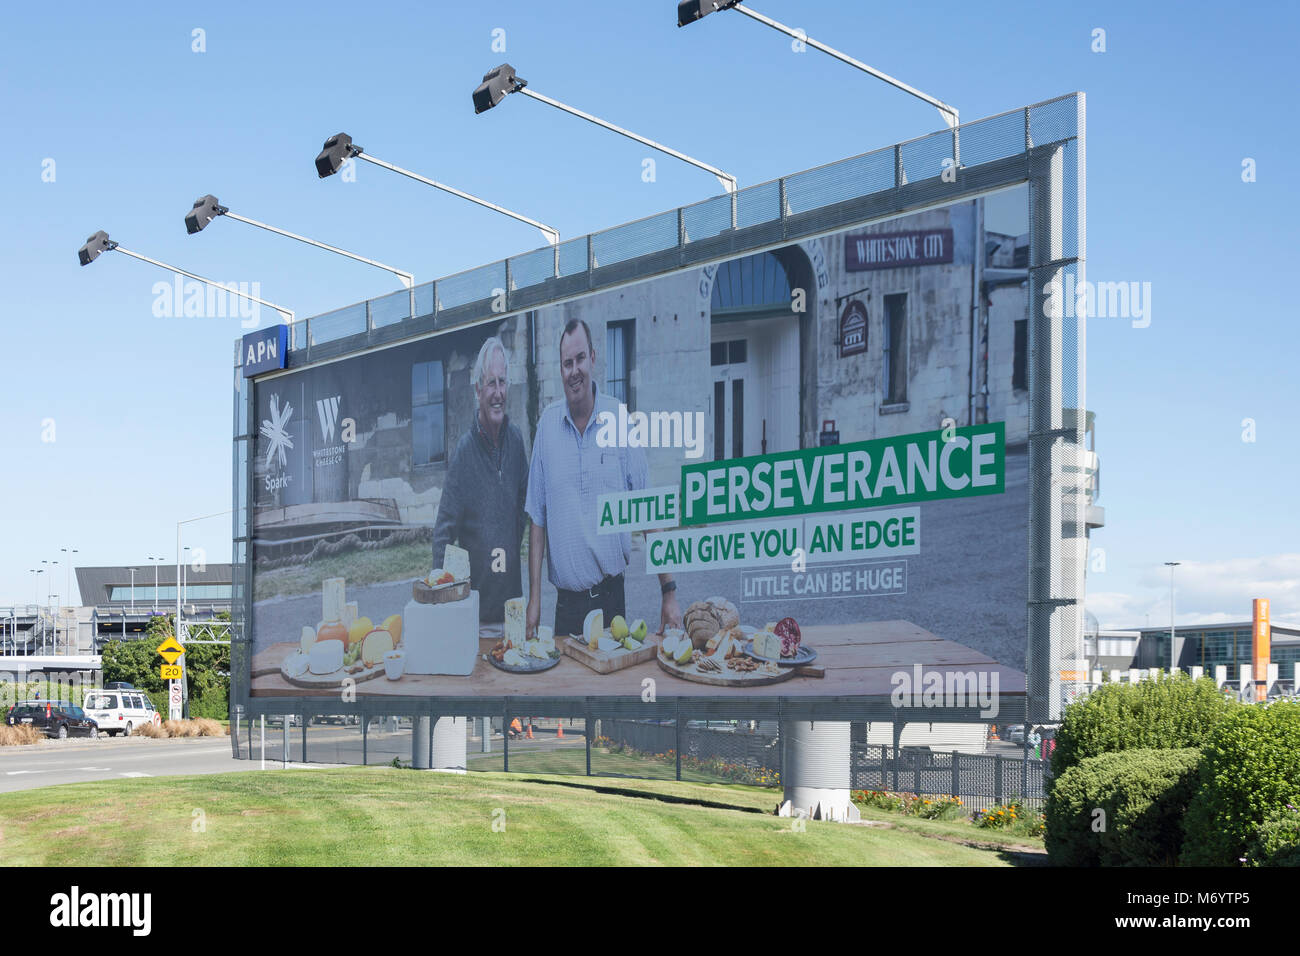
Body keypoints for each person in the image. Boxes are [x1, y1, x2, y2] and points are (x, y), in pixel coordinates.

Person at [524, 317, 682, 640]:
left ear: (593, 357)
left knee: (611, 690)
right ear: (560, 369)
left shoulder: (619, 420)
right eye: (567, 363)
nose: (574, 370)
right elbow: (537, 522)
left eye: (580, 359)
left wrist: (669, 590)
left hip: (612, 603)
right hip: (567, 610)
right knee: (568, 691)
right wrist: (534, 601)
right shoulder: (547, 429)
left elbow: (647, 508)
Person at [431, 337, 529, 626]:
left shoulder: (516, 442)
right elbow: (444, 531)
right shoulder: (464, 452)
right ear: (478, 390)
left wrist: (506, 546)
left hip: (513, 606)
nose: (497, 392)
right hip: (474, 612)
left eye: (502, 382)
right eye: (490, 384)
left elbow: (522, 512)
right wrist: (442, 598)